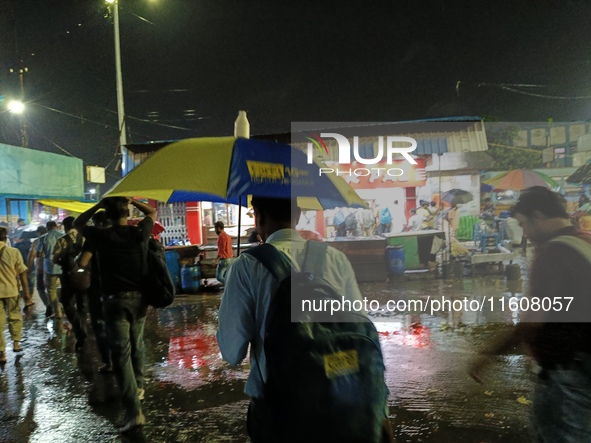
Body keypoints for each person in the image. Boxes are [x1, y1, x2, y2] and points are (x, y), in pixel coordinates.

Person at [217, 197, 390, 442]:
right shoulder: (334, 258)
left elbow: (231, 351)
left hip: (276, 414)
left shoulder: (246, 267)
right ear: (298, 215)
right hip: (339, 406)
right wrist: (380, 411)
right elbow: (361, 335)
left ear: (258, 216)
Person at [469, 186, 591, 442]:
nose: (524, 232)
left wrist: (487, 356)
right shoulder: (585, 241)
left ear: (538, 216)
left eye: (524, 224)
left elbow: (532, 320)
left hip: (567, 371)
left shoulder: (553, 253)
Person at [75, 197, 156, 433]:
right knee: (137, 344)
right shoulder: (138, 232)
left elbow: (79, 223)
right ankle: (139, 386)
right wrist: (134, 201)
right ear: (127, 213)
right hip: (140, 300)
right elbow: (152, 212)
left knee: (121, 356)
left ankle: (134, 412)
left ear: (107, 216)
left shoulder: (101, 236)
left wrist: (96, 206)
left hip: (115, 302)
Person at [53, 216, 87, 350]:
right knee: (83, 304)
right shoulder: (84, 238)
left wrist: (65, 262)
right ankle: (82, 328)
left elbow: (55, 259)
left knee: (68, 304)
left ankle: (79, 331)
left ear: (65, 226)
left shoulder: (61, 240)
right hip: (84, 276)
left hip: (68, 276)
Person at [0, 226, 30, 363]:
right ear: (5, 238)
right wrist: (26, 292)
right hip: (12, 290)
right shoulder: (13, 251)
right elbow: (22, 272)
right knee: (15, 317)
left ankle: (2, 353)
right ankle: (16, 344)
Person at [36, 221, 64, 319]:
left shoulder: (43, 238)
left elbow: (38, 254)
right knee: (66, 287)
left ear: (47, 228)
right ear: (56, 227)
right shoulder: (64, 235)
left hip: (50, 267)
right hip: (64, 266)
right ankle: (68, 308)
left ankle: (58, 312)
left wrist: (46, 253)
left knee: (51, 290)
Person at [29, 226, 50, 316]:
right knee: (51, 289)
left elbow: (32, 255)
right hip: (52, 269)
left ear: (39, 232)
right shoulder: (53, 239)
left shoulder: (36, 242)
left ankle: (48, 305)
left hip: (40, 269)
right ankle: (54, 305)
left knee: (40, 288)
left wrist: (29, 267)